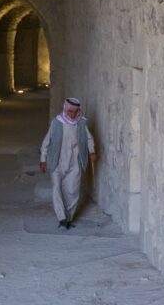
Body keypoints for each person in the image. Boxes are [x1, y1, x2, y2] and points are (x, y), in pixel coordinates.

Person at [39, 97, 96, 230]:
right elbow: (47, 141)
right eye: (70, 111)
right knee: (56, 188)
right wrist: (43, 159)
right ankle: (62, 218)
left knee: (72, 191)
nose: (72, 114)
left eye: (74, 112)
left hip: (75, 161)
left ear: (78, 111)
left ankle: (68, 217)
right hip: (57, 161)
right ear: (65, 109)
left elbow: (89, 138)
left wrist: (92, 151)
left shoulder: (81, 123)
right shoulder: (56, 123)